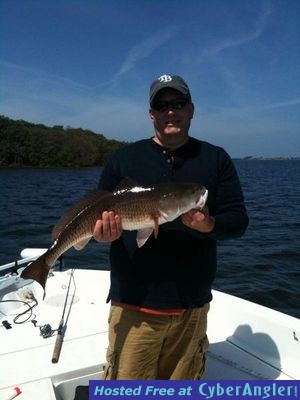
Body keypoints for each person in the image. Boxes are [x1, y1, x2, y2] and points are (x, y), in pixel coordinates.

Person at [93, 74, 249, 380]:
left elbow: (238, 221)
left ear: (191, 109)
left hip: (192, 307)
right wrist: (103, 234)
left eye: (178, 103)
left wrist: (210, 225)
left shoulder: (216, 159)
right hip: (135, 305)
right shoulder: (123, 159)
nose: (170, 111)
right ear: (152, 113)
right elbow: (99, 212)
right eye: (161, 105)